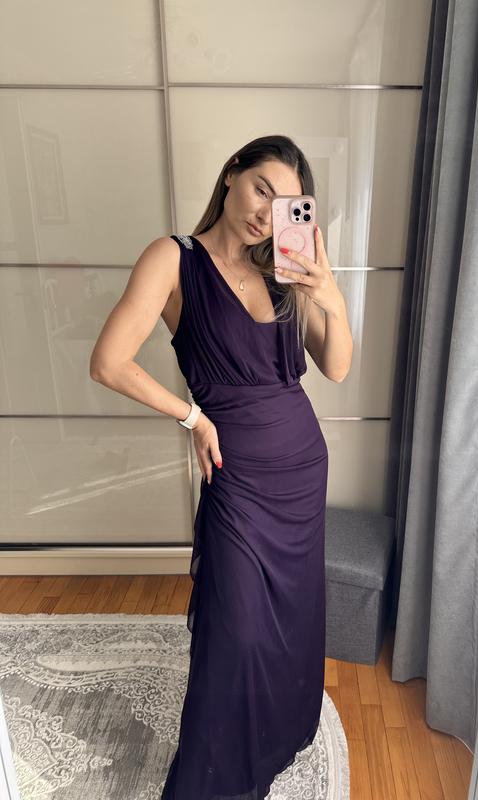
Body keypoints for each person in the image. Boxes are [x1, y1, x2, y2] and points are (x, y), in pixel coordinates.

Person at [89, 134, 353, 799]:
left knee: (291, 616)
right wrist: (193, 417)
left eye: (284, 203)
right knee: (236, 629)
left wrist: (330, 293)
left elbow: (337, 366)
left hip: (301, 467)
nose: (267, 213)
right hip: (238, 473)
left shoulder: (283, 269)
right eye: (262, 188)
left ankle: (278, 732)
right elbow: (109, 362)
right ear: (233, 173)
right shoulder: (173, 259)